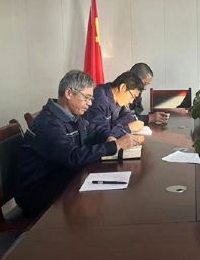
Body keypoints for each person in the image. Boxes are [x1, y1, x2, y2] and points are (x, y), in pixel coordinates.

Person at [14, 70, 142, 217]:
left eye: (91, 98)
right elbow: (73, 157)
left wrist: (109, 137)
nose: (90, 103)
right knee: (103, 208)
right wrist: (116, 145)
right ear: (69, 93)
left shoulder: (73, 117)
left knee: (109, 200)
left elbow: (94, 130)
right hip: (39, 191)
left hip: (63, 179)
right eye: (87, 98)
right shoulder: (48, 124)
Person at [84, 71, 145, 138]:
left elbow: (128, 116)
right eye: (133, 96)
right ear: (123, 87)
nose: (131, 101)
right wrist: (128, 128)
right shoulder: (100, 98)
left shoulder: (119, 100)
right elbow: (101, 134)